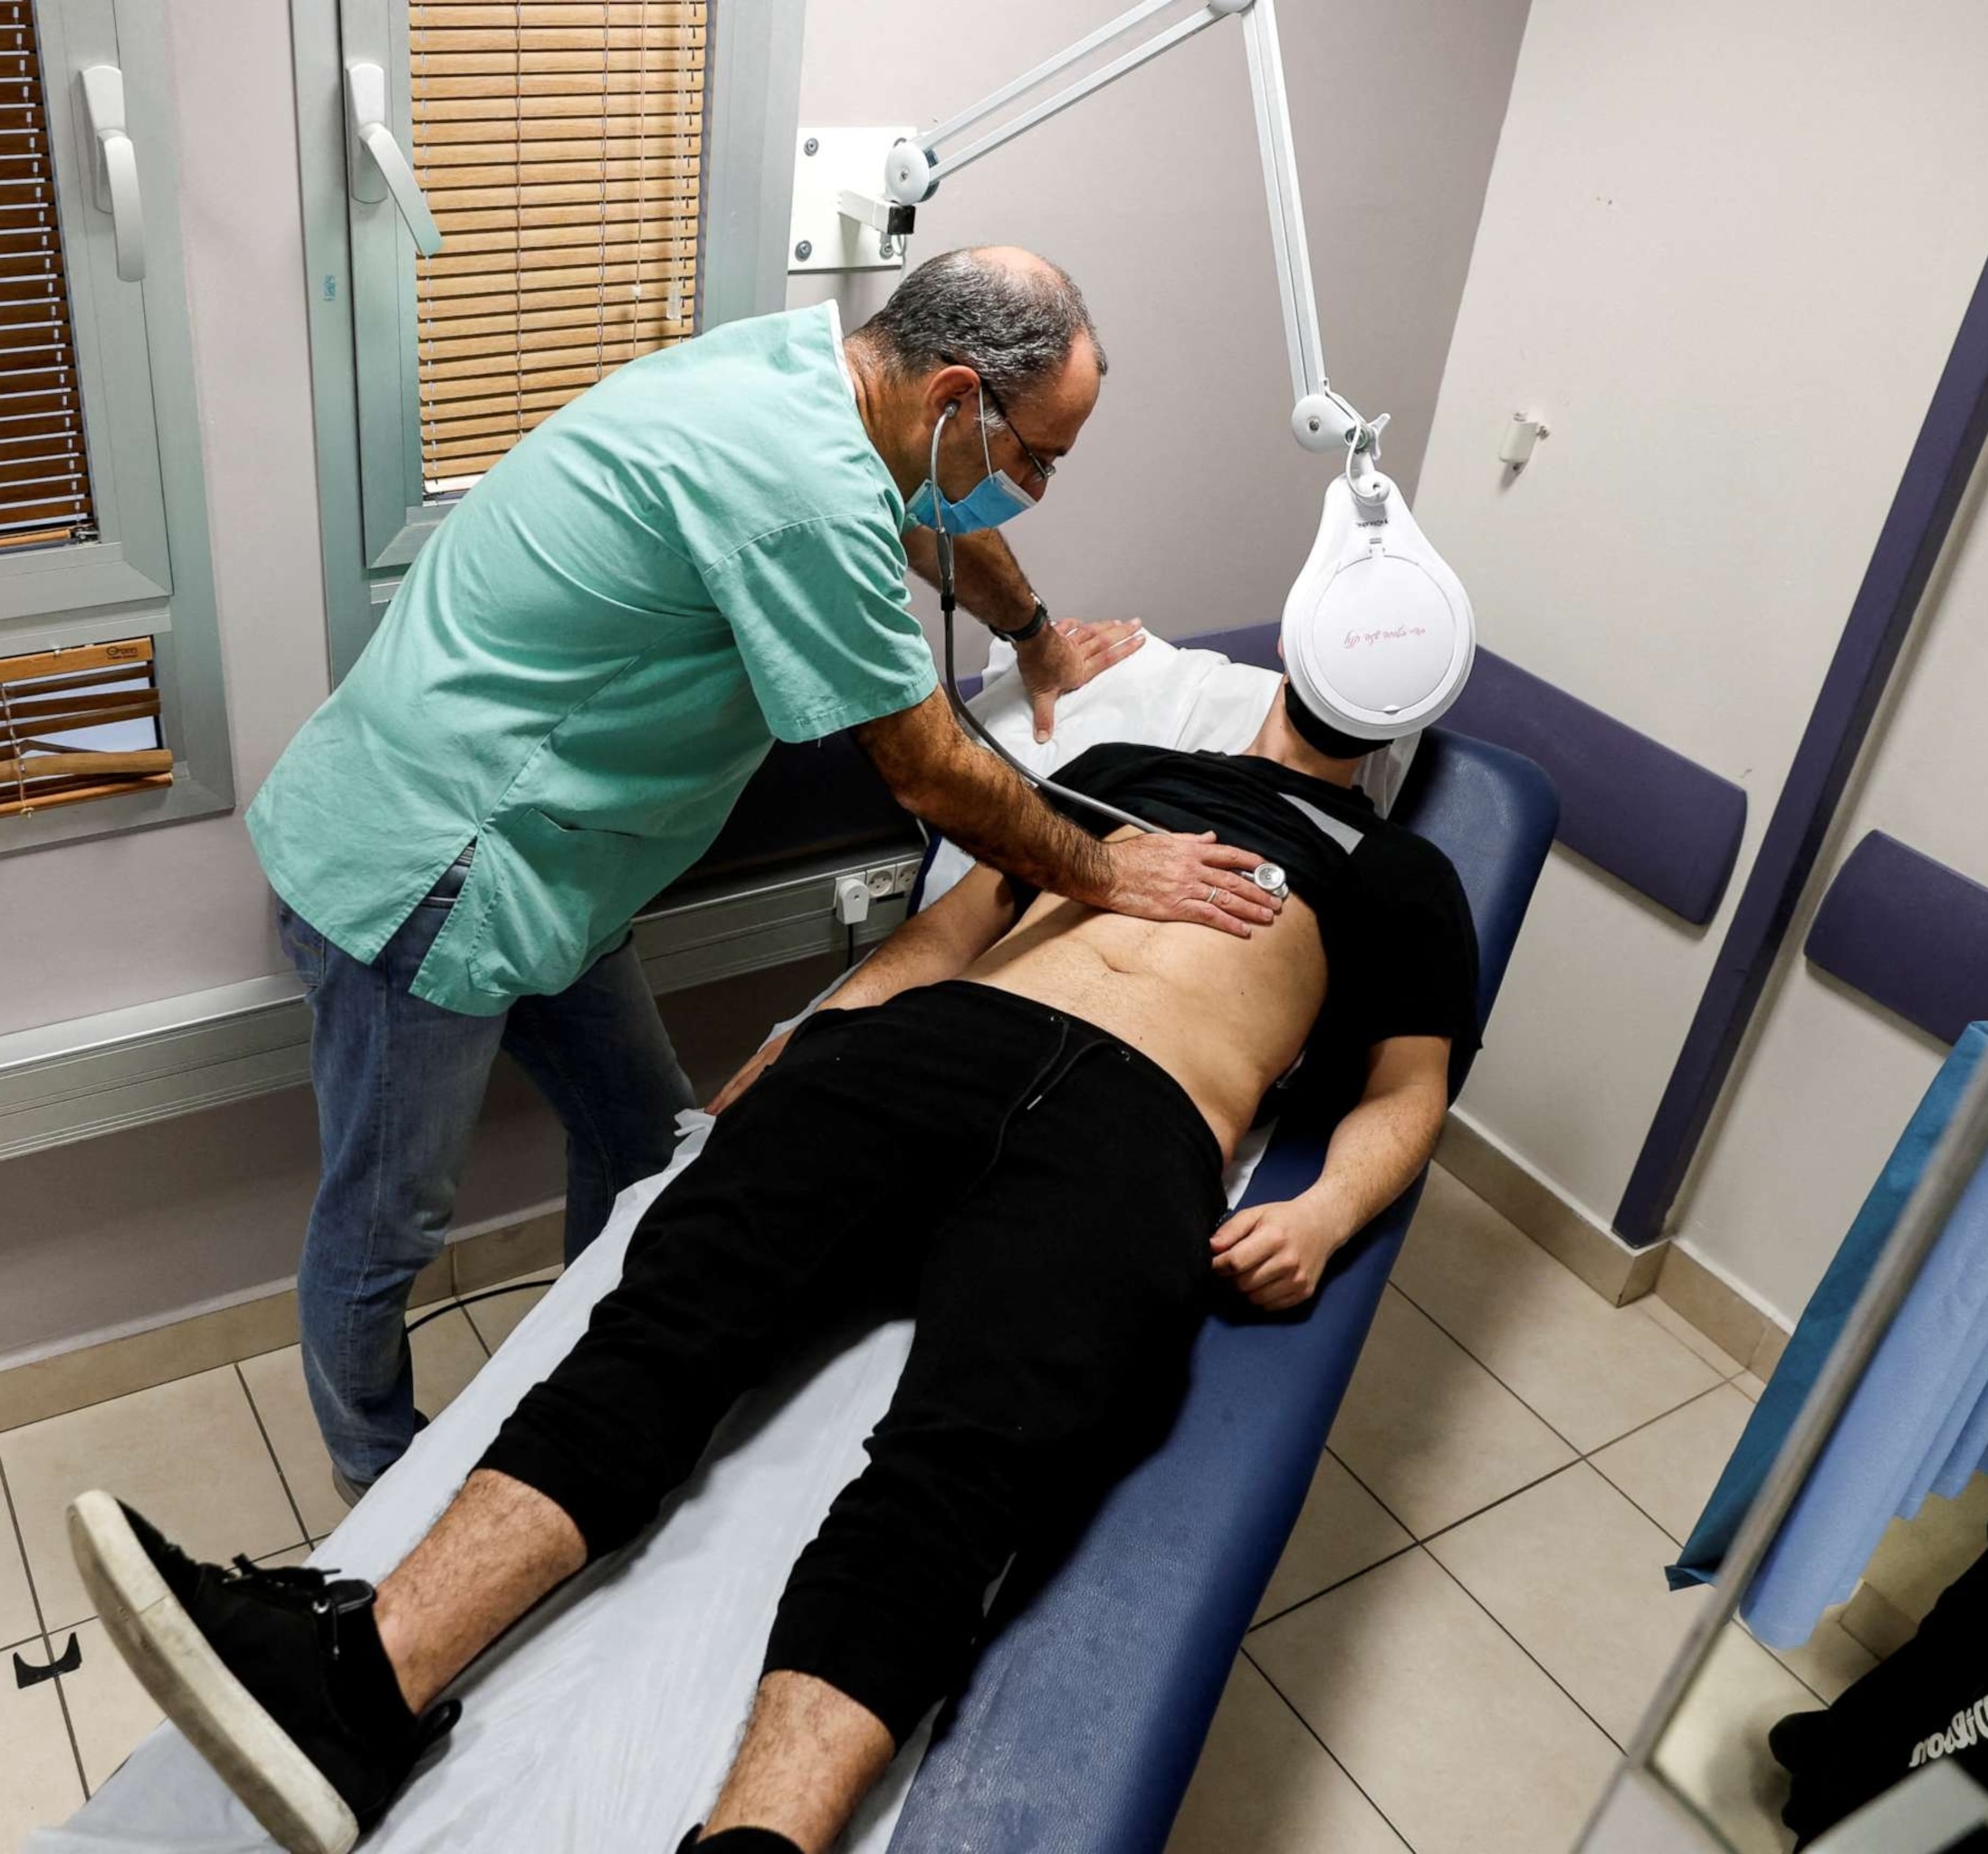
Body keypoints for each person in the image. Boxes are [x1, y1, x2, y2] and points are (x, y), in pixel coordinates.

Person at [71, 657, 1482, 1854]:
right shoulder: (1116, 762)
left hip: (1142, 1123)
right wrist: (818, 1028)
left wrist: (1318, 1212)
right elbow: (955, 925)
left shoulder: (1408, 878)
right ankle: (355, 1688)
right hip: (927, 1052)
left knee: (964, 1466)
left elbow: (1405, 1089)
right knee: (667, 1326)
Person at [247, 247, 1289, 1506]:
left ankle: (582, 1394)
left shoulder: (813, 372)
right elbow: (930, 773)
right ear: (956, 394)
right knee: (384, 1229)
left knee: (645, 1143)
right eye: (1034, 458)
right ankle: (378, 1481)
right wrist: (1108, 869)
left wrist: (1032, 637)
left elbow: (920, 509)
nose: (1034, 488)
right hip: (430, 869)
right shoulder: (799, 486)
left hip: (556, 871)